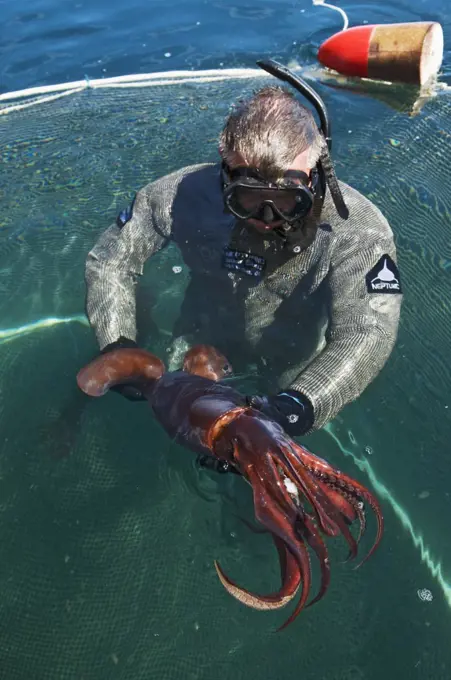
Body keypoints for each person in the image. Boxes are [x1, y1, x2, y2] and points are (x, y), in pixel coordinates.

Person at [84, 60, 403, 461]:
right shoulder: (177, 195)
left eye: (287, 201)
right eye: (248, 198)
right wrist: (118, 342)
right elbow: (112, 260)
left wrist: (297, 406)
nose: (266, 218)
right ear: (224, 174)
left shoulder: (358, 229)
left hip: (293, 366)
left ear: (317, 174)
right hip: (196, 343)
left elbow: (367, 330)